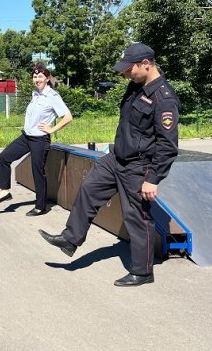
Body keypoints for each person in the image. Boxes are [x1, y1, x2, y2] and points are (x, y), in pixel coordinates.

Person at [39, 43, 180, 287]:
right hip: (116, 159)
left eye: (129, 69)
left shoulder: (164, 99)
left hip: (139, 166)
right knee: (88, 189)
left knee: (136, 218)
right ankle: (70, 239)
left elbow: (168, 146)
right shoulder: (135, 87)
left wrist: (153, 178)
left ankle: (142, 271)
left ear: (146, 64)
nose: (125, 73)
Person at [0, 62, 73, 216]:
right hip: (26, 137)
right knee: (4, 157)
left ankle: (40, 206)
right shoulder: (35, 94)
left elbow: (68, 117)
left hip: (40, 140)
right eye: (35, 77)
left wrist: (52, 129)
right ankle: (5, 191)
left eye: (40, 76)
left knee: (37, 172)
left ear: (47, 78)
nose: (37, 79)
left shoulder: (52, 96)